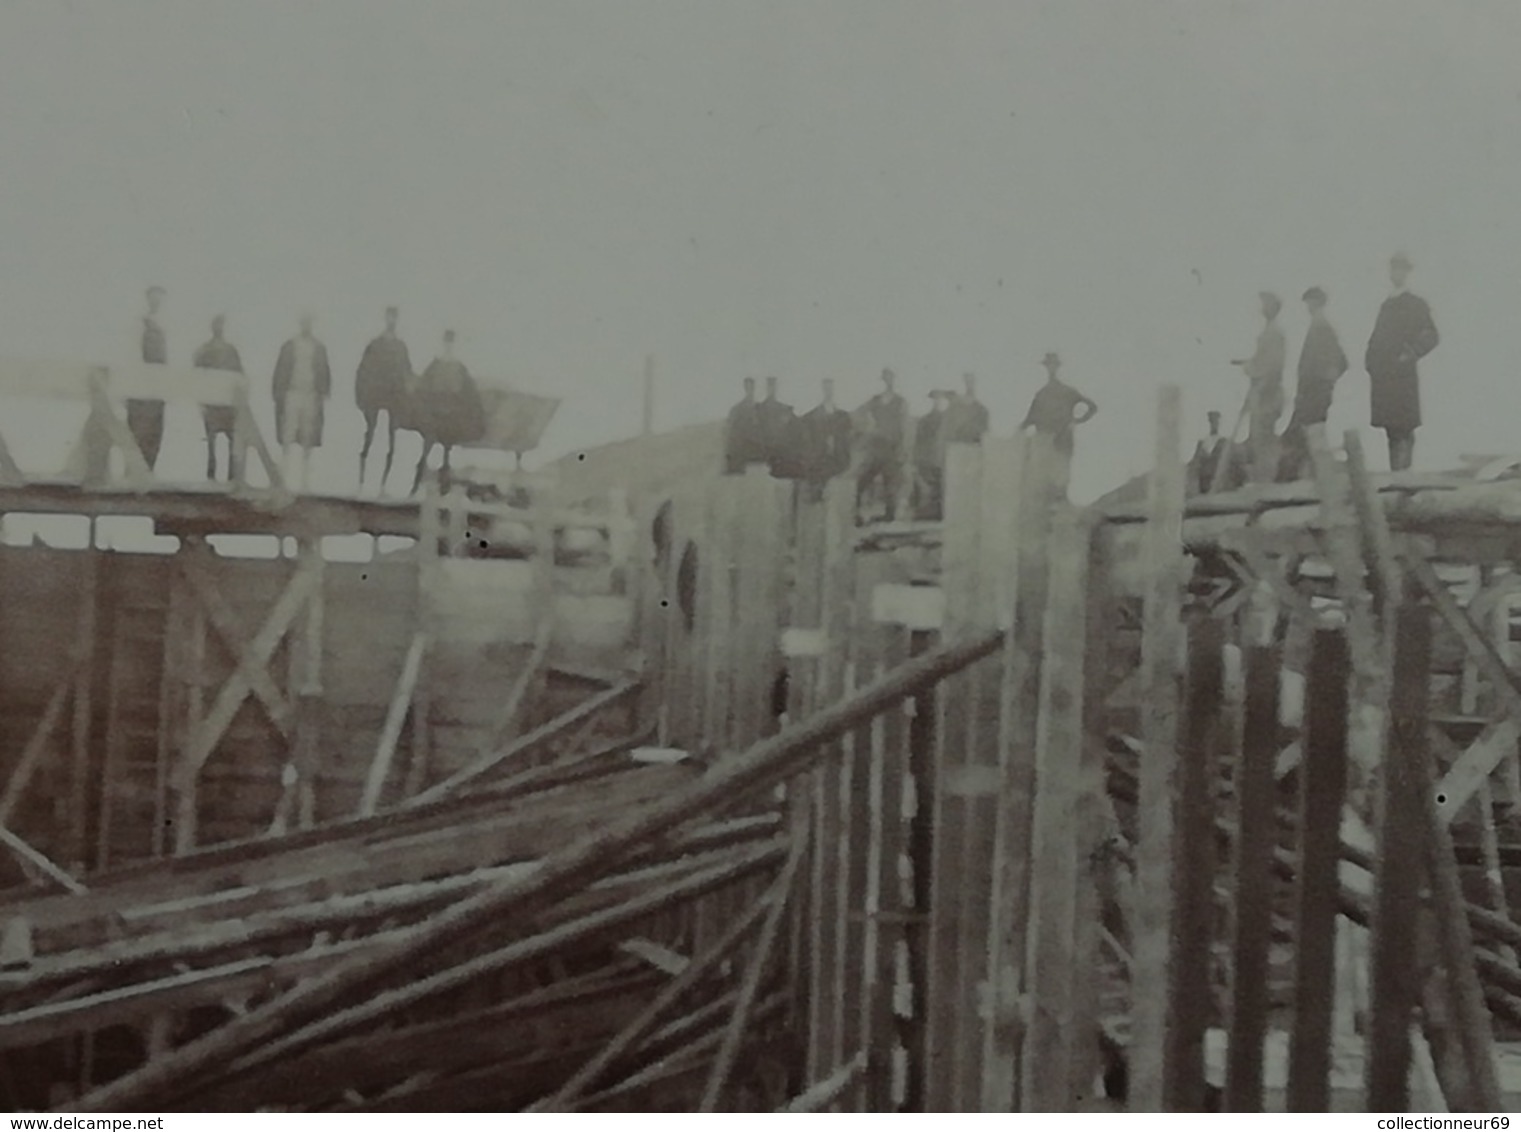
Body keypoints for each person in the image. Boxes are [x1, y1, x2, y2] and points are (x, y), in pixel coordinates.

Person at [1365, 252, 1439, 471]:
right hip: (1384, 379)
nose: (1396, 273)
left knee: (1404, 429)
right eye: (1393, 268)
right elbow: (1376, 340)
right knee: (1391, 429)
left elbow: (1432, 335)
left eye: (1401, 269)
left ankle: (1403, 478)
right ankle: (1396, 475)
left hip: (1402, 378)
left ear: (1407, 273)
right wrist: (1370, 363)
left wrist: (1411, 353)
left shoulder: (1415, 304)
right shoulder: (1386, 305)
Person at [1278, 286, 1349, 482]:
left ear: (1318, 303)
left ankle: (1322, 478)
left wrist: (1327, 380)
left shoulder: (1323, 328)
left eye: (1311, 302)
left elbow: (1341, 362)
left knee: (1313, 433)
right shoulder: (1317, 327)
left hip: (1315, 393)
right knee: (1306, 434)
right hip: (1310, 393)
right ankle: (1313, 476)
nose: (1308, 307)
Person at [412, 329, 485, 493]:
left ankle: (443, 485)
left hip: (451, 413)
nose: (448, 345)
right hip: (436, 411)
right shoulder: (436, 364)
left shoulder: (459, 366)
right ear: (443, 343)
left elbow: (468, 390)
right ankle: (416, 482)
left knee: (446, 450)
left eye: (451, 342)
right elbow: (423, 386)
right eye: (447, 342)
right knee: (427, 446)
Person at [355, 306, 416, 493]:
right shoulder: (375, 344)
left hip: (393, 398)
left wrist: (407, 395)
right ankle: (362, 481)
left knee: (391, 440)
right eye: (389, 317)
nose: (391, 321)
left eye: (394, 318)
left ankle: (383, 484)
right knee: (370, 435)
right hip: (375, 396)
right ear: (385, 319)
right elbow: (363, 370)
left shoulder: (400, 347)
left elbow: (407, 373)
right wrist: (362, 396)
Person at [271, 312, 333, 493]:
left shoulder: (319, 347)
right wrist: (278, 392)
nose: (307, 325)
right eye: (304, 322)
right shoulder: (290, 346)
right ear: (300, 324)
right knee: (287, 434)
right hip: (293, 393)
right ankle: (283, 476)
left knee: (308, 435)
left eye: (309, 322)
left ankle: (305, 481)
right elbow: (280, 369)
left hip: (310, 395)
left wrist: (324, 391)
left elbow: (325, 371)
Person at [1230, 291, 1286, 483]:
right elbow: (1264, 361)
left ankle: (1266, 480)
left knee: (1264, 439)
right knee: (1258, 438)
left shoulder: (1274, 333)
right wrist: (1248, 363)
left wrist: (1251, 369)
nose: (1262, 308)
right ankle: (1262, 479)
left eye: (1266, 304)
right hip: (1263, 391)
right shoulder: (1269, 332)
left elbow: (1272, 366)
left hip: (1267, 393)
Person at [1021, 352, 1097, 487]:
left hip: (1063, 440)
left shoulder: (1068, 392)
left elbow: (1092, 407)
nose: (1051, 369)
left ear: (1057, 368)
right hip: (1044, 441)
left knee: (1061, 479)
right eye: (1048, 366)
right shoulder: (1041, 394)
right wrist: (1014, 432)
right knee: (1043, 479)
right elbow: (1029, 420)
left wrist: (1076, 421)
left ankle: (1060, 503)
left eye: (1053, 366)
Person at [191, 315, 245, 482]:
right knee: (211, 440)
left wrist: (239, 399)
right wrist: (201, 400)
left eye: (221, 324)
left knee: (232, 438)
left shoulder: (231, 350)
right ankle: (211, 473)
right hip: (212, 400)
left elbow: (239, 373)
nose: (219, 328)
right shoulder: (204, 350)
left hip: (228, 402)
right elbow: (197, 375)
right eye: (217, 324)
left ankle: (231, 475)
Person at [855, 368, 908, 522]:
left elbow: (904, 425)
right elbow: (860, 412)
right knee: (862, 479)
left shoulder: (900, 401)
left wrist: (902, 448)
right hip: (876, 447)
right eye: (886, 378)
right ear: (883, 380)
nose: (888, 381)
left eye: (891, 378)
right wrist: (869, 429)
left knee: (891, 482)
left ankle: (889, 515)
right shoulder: (875, 400)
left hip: (892, 447)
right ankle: (855, 512)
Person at [129, 286, 169, 471]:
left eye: (159, 299)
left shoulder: (163, 325)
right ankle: (136, 471)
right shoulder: (140, 324)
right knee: (138, 430)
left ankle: (149, 471)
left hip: (157, 386)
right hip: (141, 385)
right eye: (153, 298)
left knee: (155, 430)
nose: (156, 302)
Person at [913, 390, 951, 519]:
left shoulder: (949, 420)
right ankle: (928, 512)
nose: (938, 402)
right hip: (929, 459)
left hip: (946, 459)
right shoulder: (925, 420)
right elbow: (919, 442)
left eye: (940, 399)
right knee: (929, 488)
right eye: (935, 399)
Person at [1188, 410, 1246, 494]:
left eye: (1216, 421)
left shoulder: (1224, 443)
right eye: (1211, 421)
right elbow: (1195, 464)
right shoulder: (1202, 443)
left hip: (1218, 485)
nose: (1214, 424)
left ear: (1219, 422)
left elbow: (1235, 467)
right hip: (1203, 485)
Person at [756, 375, 799, 477]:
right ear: (767, 388)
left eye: (773, 387)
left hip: (780, 445)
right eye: (770, 387)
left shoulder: (782, 407)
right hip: (767, 445)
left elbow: (792, 419)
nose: (772, 389)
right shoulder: (760, 408)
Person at [723, 377, 766, 474]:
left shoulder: (759, 408)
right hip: (742, 450)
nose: (750, 390)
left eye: (752, 387)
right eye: (748, 387)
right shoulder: (737, 409)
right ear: (745, 388)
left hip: (757, 452)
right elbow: (731, 432)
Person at [945, 371, 989, 444]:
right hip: (957, 446)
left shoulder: (982, 410)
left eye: (971, 381)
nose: (969, 385)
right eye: (967, 382)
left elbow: (984, 433)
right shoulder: (955, 408)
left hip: (974, 447)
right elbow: (949, 429)